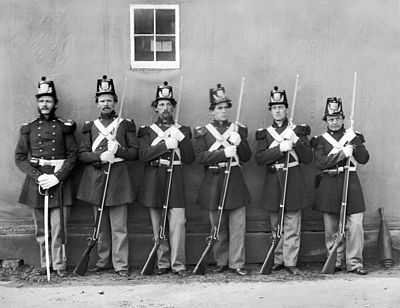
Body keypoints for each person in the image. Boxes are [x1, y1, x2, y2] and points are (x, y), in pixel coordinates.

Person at [15, 76, 77, 277]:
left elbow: (72, 155)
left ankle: (59, 265)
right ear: (37, 103)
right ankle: (46, 263)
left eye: (48, 100)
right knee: (42, 230)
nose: (45, 104)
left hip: (59, 182)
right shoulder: (29, 128)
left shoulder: (64, 127)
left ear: (55, 103)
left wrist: (58, 177)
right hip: (37, 182)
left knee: (59, 228)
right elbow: (20, 157)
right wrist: (37, 176)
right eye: (41, 100)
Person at [77, 75, 138, 277]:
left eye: (109, 100)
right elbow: (82, 154)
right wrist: (100, 156)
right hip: (96, 180)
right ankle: (103, 262)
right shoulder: (89, 126)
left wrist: (118, 150)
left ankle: (121, 265)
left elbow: (134, 153)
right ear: (97, 103)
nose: (106, 103)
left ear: (115, 102)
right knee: (101, 226)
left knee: (119, 227)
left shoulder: (125, 124)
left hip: (119, 181)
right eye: (102, 100)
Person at [194, 83, 251, 276]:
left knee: (237, 226)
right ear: (212, 111)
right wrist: (222, 153)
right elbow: (200, 157)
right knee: (217, 226)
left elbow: (246, 157)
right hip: (214, 181)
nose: (223, 111)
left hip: (234, 180)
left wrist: (239, 142)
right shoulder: (203, 131)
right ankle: (221, 261)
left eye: (226, 107)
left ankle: (237, 263)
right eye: (219, 108)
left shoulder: (238, 129)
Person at [138, 81, 194, 276]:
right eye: (161, 104)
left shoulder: (183, 130)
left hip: (176, 177)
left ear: (173, 107)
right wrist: (165, 146)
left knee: (178, 223)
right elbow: (143, 155)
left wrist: (181, 138)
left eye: (169, 104)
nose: (165, 108)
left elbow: (189, 158)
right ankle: (162, 263)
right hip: (154, 178)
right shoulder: (146, 130)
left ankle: (178, 264)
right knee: (158, 225)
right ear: (155, 108)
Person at [255, 86, 312, 275]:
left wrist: (295, 141)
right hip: (273, 180)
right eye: (274, 107)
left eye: (281, 106)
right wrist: (280, 149)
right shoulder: (265, 133)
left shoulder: (298, 131)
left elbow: (308, 158)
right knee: (275, 224)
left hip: (293, 178)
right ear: (270, 110)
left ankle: (291, 261)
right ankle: (278, 258)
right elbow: (260, 159)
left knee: (292, 223)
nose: (278, 110)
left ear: (286, 108)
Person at [312, 97, 369, 275]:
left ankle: (355, 263)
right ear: (326, 121)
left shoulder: (353, 136)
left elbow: (364, 159)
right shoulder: (320, 140)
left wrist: (355, 142)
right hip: (329, 183)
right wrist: (341, 153)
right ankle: (334, 261)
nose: (334, 122)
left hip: (350, 182)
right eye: (330, 119)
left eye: (337, 118)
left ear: (343, 118)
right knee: (331, 227)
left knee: (356, 224)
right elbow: (320, 163)